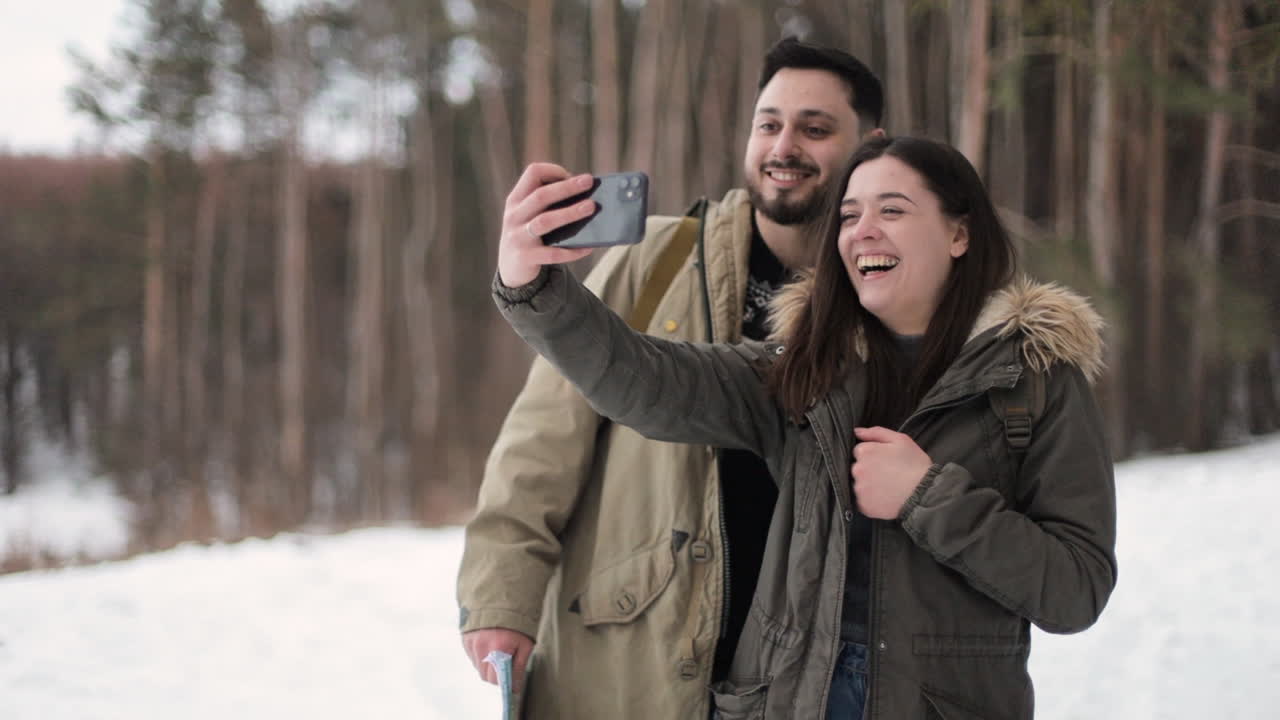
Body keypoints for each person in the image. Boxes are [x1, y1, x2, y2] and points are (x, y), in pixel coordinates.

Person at [491, 135, 1118, 719]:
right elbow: (645, 379)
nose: (862, 231)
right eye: (848, 215)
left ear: (959, 233)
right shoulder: (803, 374)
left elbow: (1076, 588)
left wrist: (929, 497)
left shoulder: (1034, 380)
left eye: (892, 210)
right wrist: (534, 285)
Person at [457, 38, 886, 719]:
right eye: (768, 123)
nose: (784, 147)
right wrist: (501, 594)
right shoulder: (658, 257)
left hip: (809, 676)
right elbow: (541, 443)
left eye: (815, 128)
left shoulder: (890, 294)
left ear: (871, 146)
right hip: (646, 652)